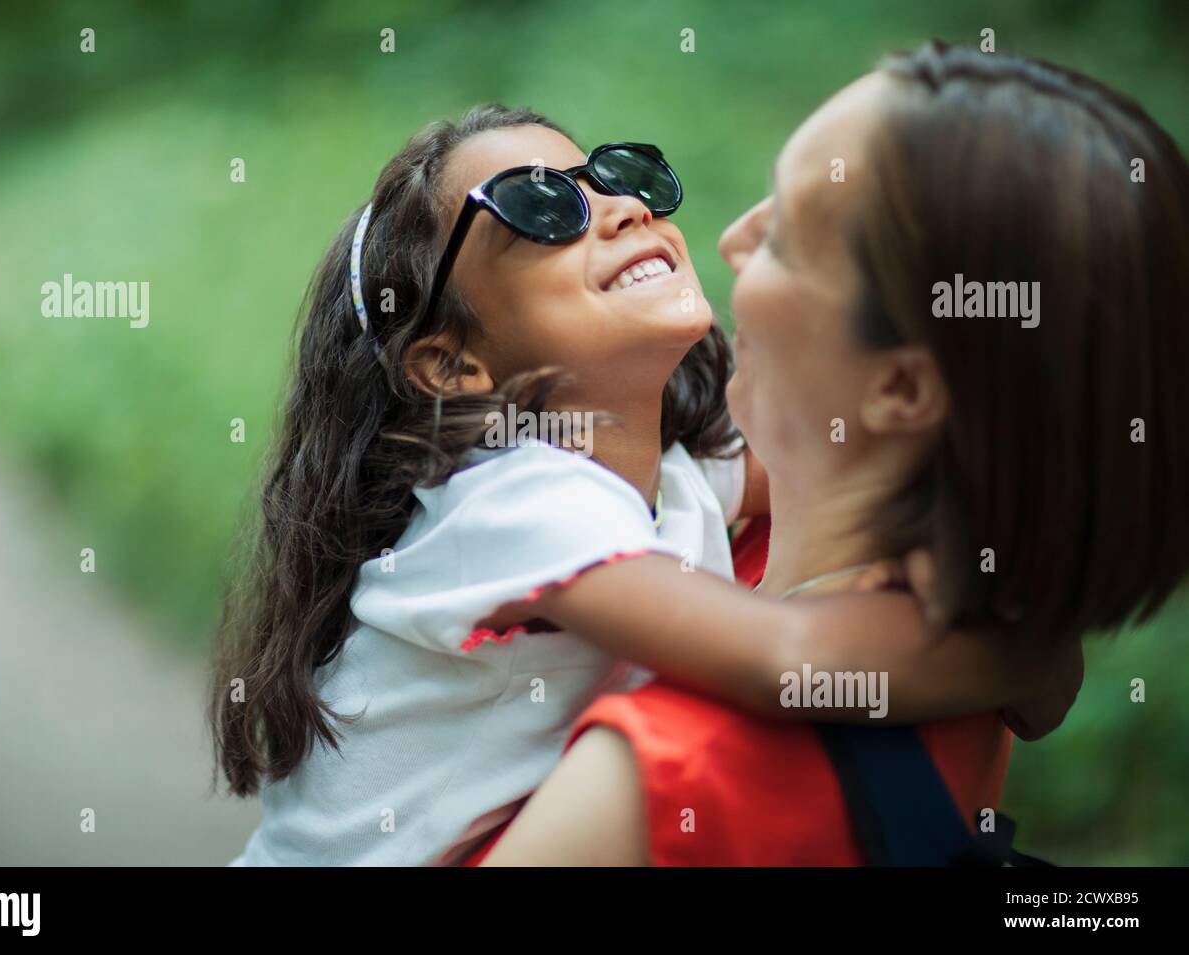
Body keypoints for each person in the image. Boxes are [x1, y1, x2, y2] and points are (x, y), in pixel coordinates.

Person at [212, 102, 1080, 866]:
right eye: (542, 208)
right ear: (452, 363)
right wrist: (1012, 659)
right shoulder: (506, 504)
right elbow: (784, 664)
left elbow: (885, 460)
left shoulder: (680, 475)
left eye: (615, 177)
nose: (623, 208)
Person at [478, 42, 1189, 866]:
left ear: (901, 392)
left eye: (785, 234)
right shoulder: (975, 607)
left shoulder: (658, 780)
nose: (736, 237)